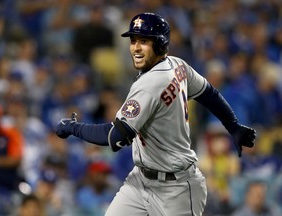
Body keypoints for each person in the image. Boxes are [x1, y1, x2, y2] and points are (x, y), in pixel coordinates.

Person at [56, 12, 256, 216]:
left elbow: (115, 136)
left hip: (175, 189)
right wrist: (233, 126)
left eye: (144, 41)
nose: (135, 47)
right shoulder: (177, 65)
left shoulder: (150, 84)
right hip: (140, 180)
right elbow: (209, 93)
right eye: (133, 40)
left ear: (160, 45)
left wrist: (73, 128)